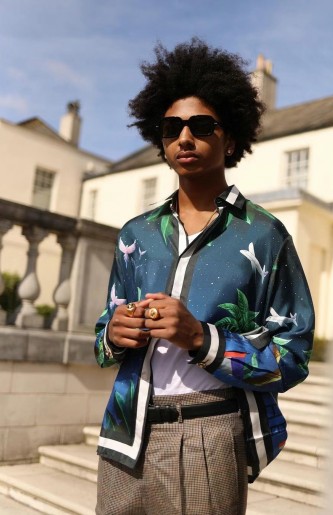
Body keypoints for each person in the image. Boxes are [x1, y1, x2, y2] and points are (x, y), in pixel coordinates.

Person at [94, 38, 314, 515]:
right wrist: (113, 334)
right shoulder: (136, 234)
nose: (184, 138)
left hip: (208, 434)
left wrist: (201, 337)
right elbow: (101, 335)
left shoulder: (264, 235)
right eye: (171, 128)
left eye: (201, 126)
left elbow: (293, 355)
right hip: (124, 433)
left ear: (229, 138)